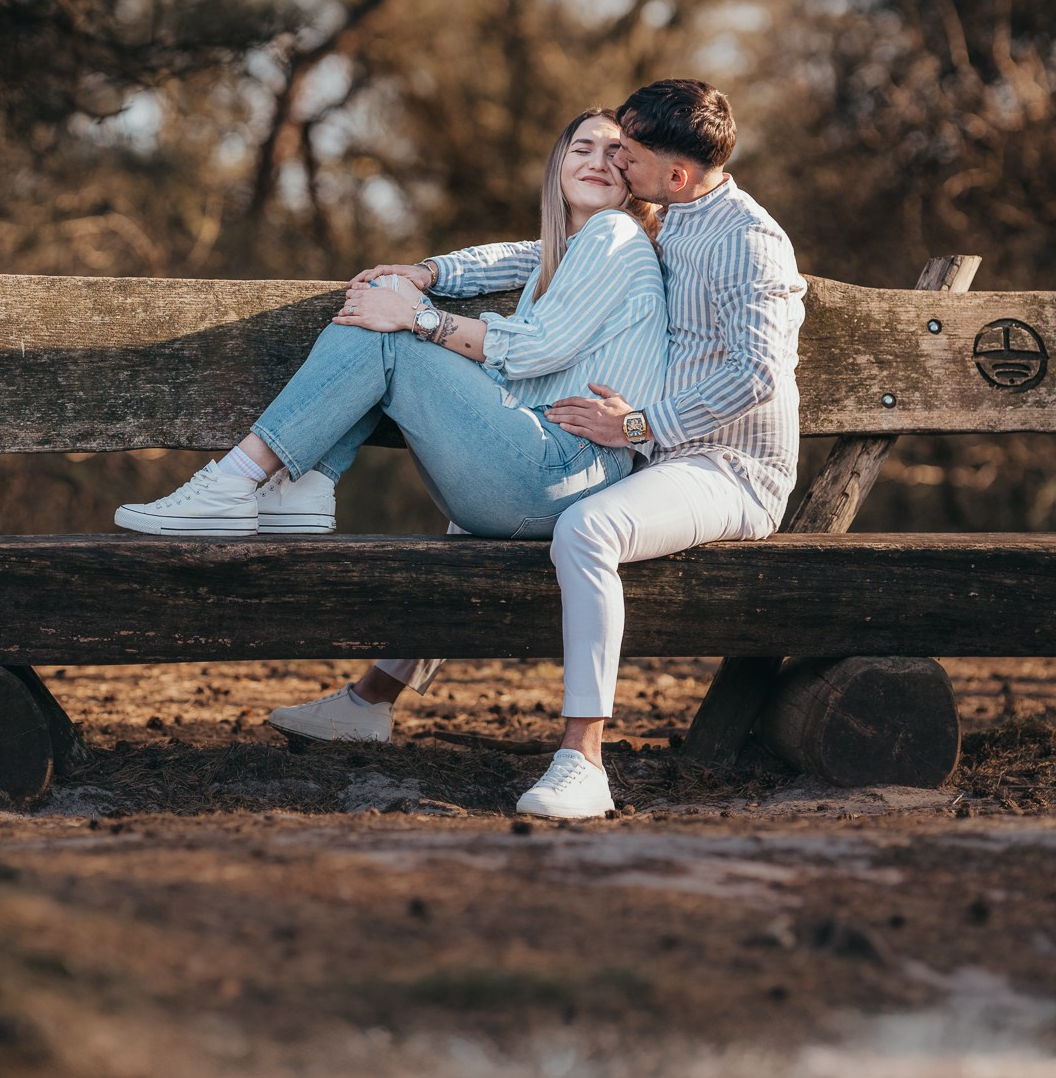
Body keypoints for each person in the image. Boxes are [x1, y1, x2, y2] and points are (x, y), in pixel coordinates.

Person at [259, 79, 806, 821]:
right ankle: (371, 699)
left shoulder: (750, 241)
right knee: (480, 511)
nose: (615, 161)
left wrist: (640, 427)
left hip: (727, 468)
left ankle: (583, 761)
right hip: (654, 451)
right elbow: (537, 251)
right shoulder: (668, 216)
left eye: (628, 153)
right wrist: (433, 272)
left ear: (674, 176)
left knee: (589, 529)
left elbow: (758, 375)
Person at [113, 110, 669, 766]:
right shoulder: (573, 249)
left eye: (616, 151)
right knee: (386, 306)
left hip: (558, 469)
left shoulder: (612, 235)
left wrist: (421, 317)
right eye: (583, 147)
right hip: (547, 475)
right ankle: (308, 507)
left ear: (637, 177)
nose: (599, 160)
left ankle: (245, 480)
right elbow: (508, 257)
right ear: (557, 167)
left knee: (387, 330)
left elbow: (539, 347)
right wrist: (426, 274)